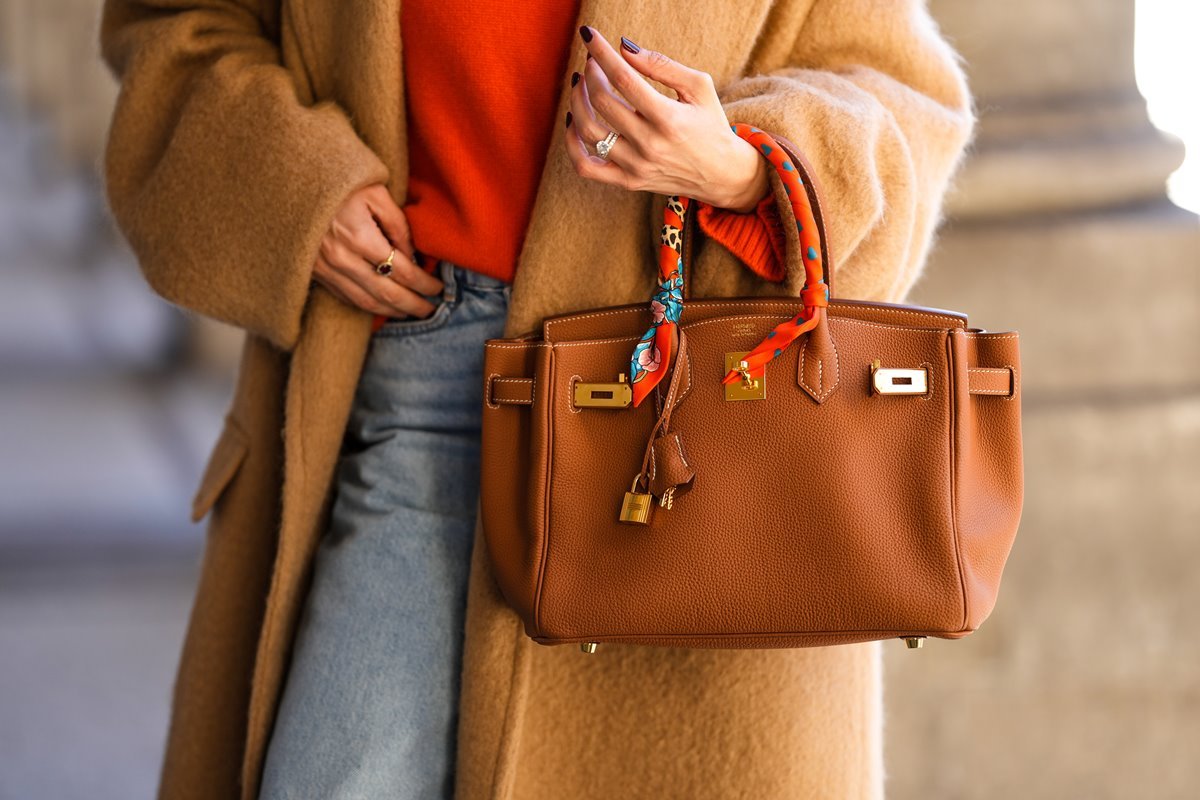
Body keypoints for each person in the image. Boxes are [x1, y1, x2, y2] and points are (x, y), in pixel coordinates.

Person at [98, 2, 974, 798]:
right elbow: (175, 28)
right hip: (405, 371)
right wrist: (294, 186)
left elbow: (903, 95)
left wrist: (747, 168)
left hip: (682, 413)